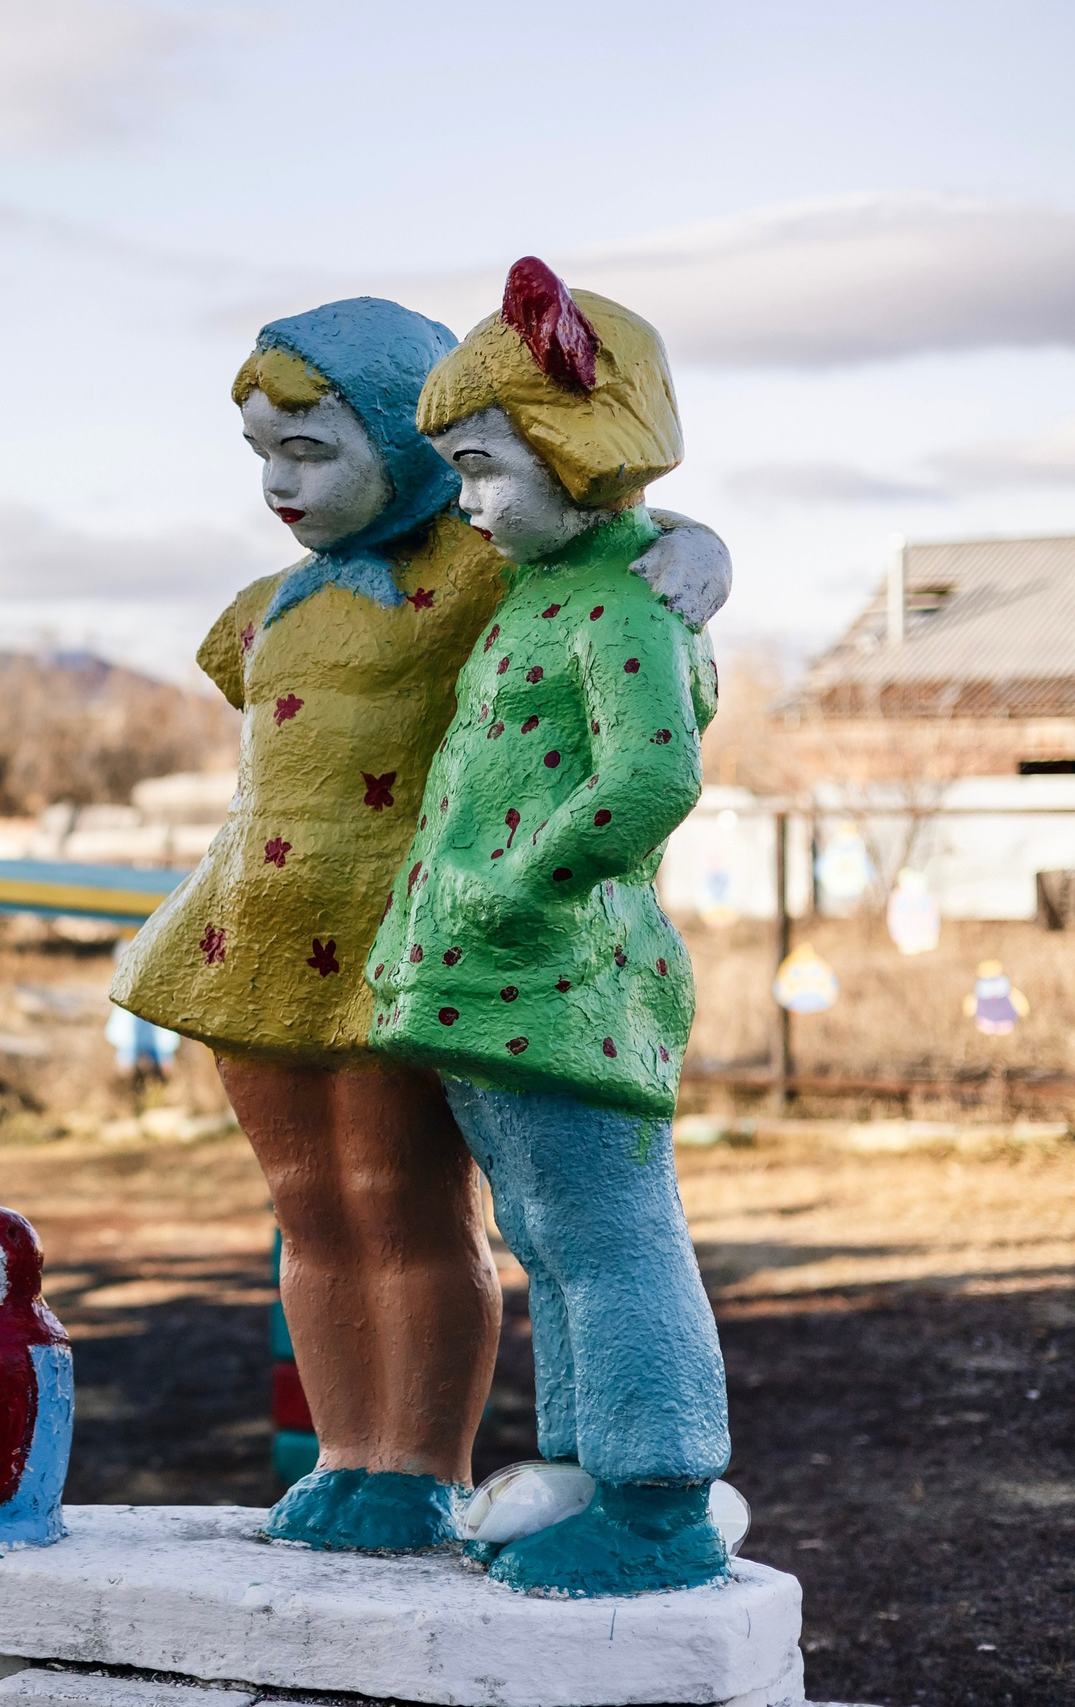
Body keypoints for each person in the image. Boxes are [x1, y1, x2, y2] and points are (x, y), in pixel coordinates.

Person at [112, 295, 730, 1553]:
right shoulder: (265, 609)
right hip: (256, 934)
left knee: (410, 1203)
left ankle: (418, 1465)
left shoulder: (480, 564)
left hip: (421, 944)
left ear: (407, 439)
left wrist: (700, 543)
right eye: (262, 457)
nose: (281, 486)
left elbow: (607, 539)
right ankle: (349, 1450)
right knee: (311, 1208)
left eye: (310, 449)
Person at [367, 257, 729, 1595]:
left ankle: (660, 1492)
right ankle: (586, 1465)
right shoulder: (543, 583)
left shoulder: (629, 594)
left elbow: (652, 776)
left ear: (583, 444)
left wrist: (517, 882)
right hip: (491, 984)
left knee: (610, 1233)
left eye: (484, 467)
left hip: (564, 974)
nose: (468, 503)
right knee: (547, 1231)